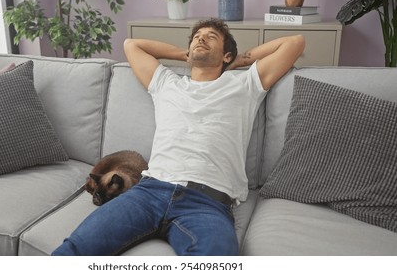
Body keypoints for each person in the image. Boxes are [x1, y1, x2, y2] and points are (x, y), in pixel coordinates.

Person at [52, 18, 305, 256]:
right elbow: (132, 44)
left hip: (207, 203)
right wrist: (184, 55)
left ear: (226, 54)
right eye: (196, 37)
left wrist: (239, 61)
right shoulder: (166, 82)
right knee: (73, 251)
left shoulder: (245, 85)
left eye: (211, 37)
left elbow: (294, 43)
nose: (201, 39)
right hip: (148, 192)